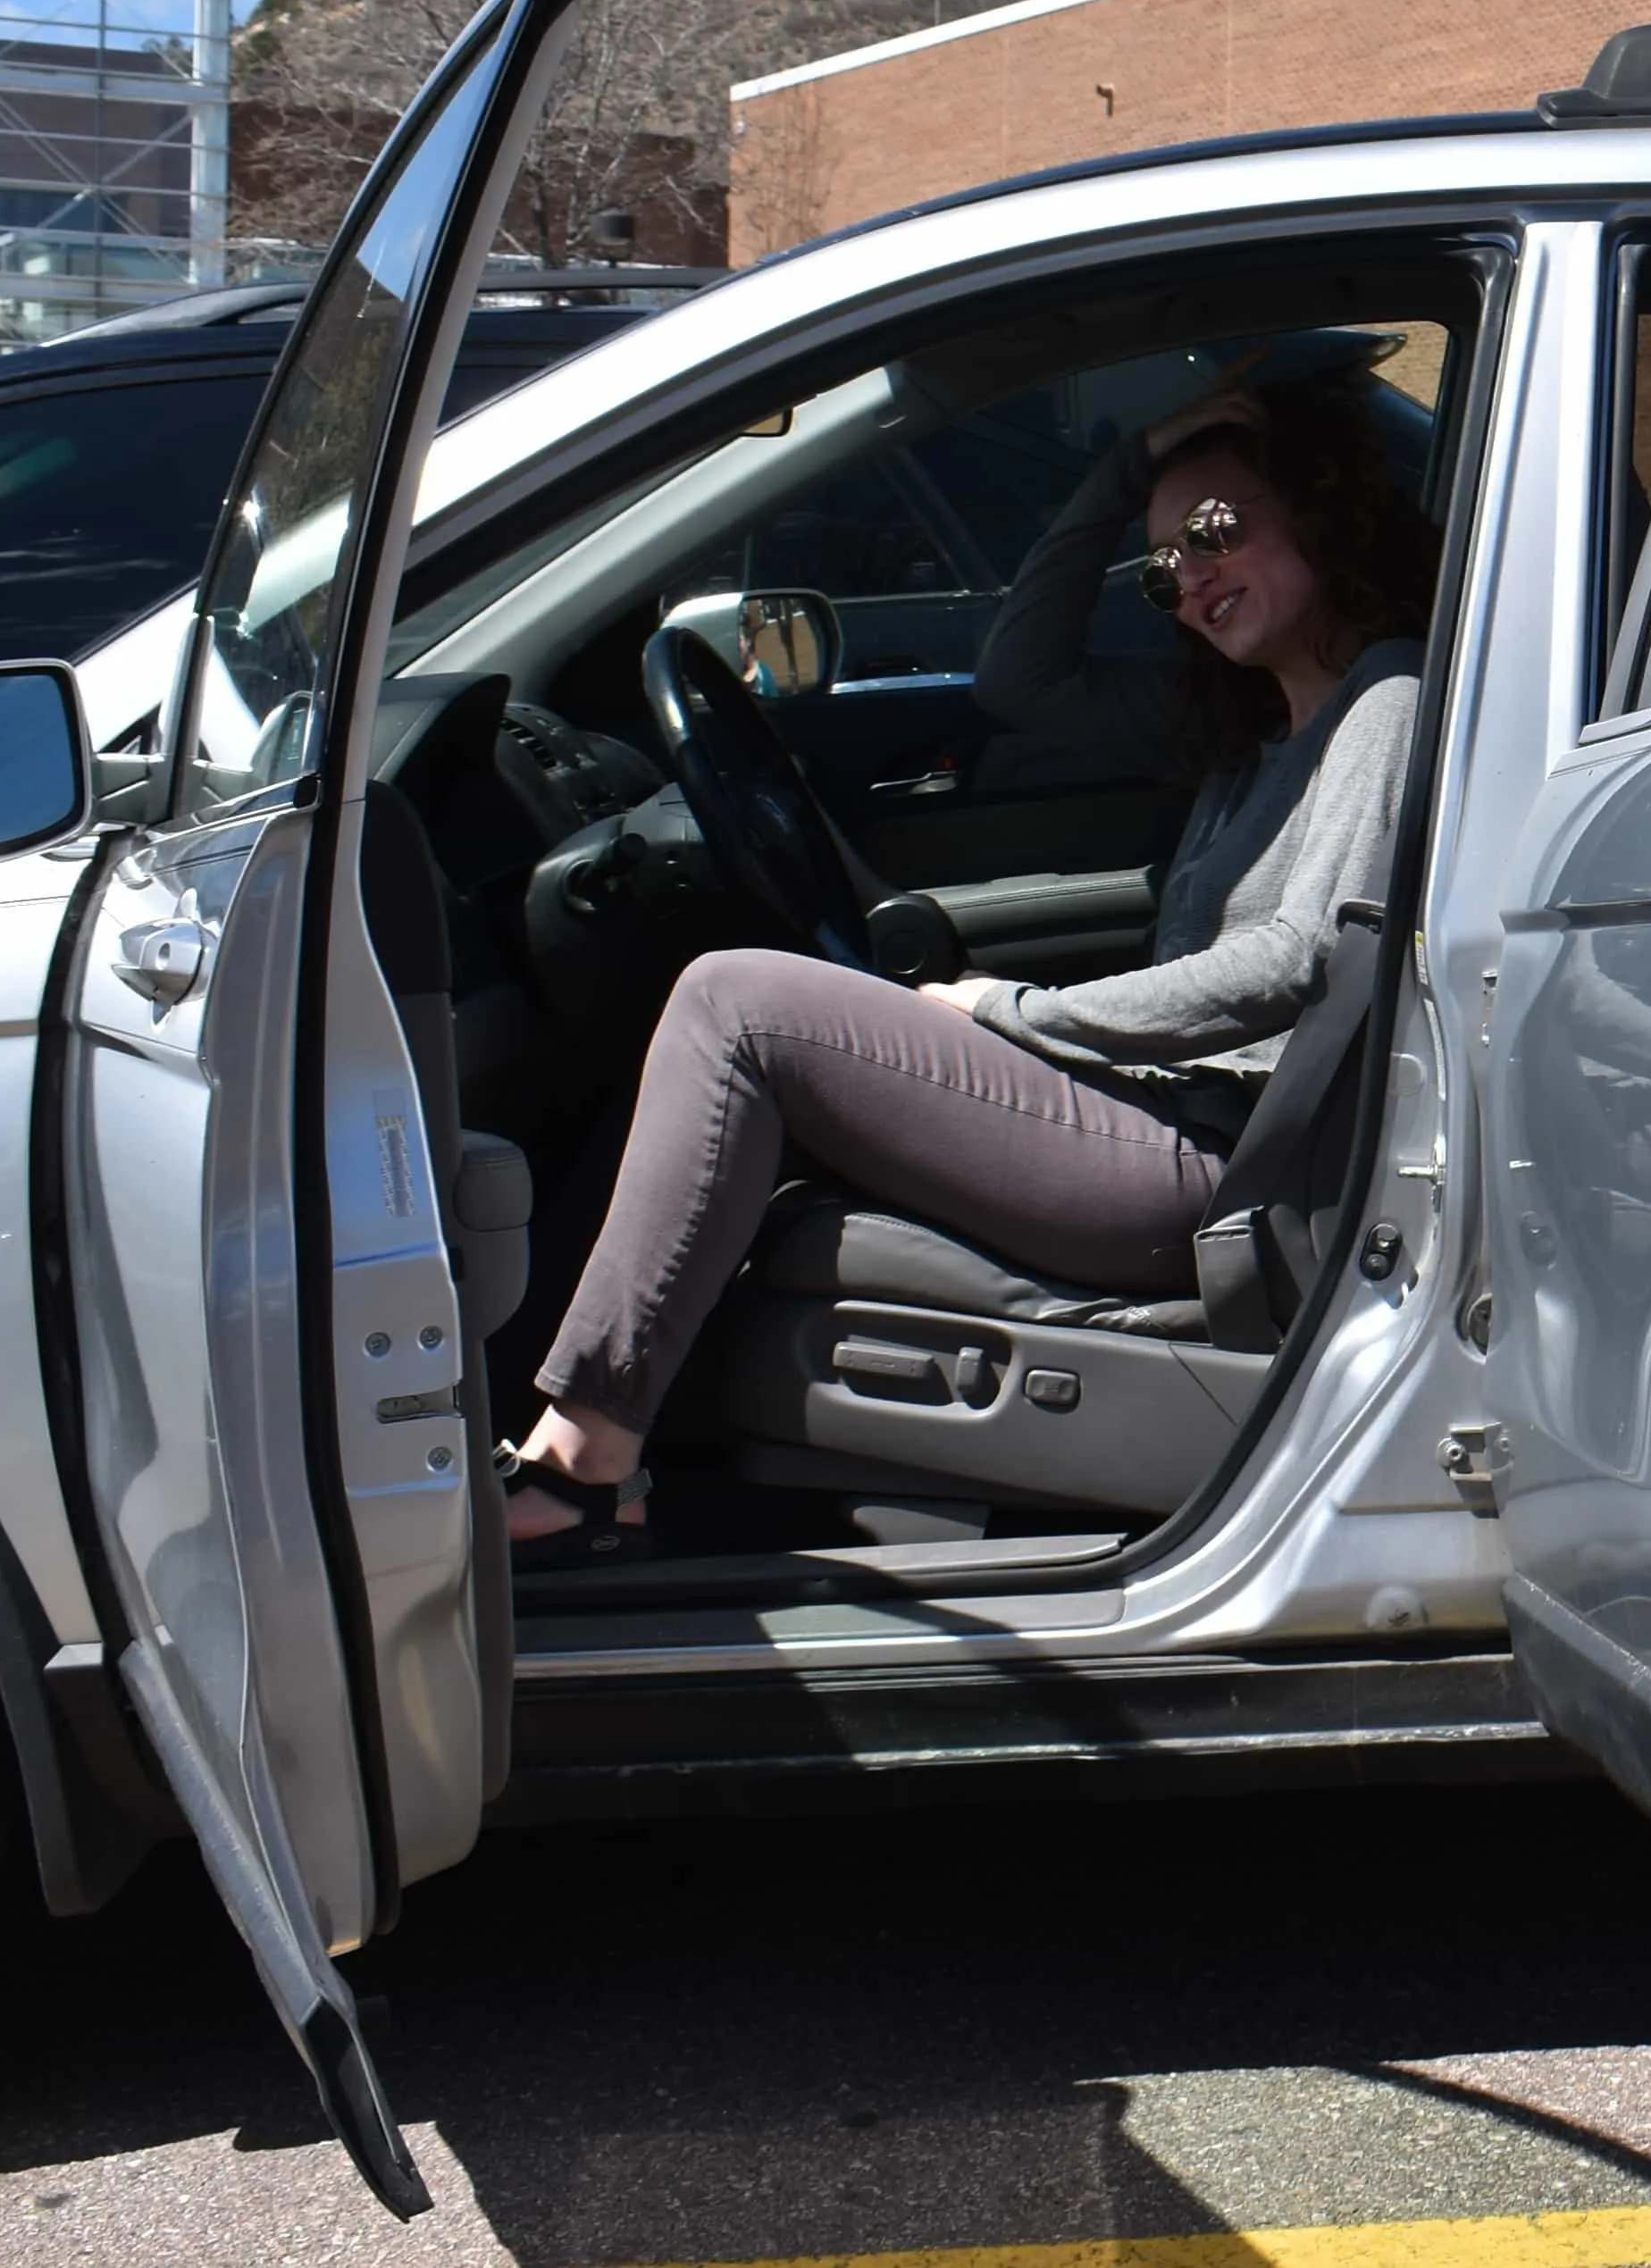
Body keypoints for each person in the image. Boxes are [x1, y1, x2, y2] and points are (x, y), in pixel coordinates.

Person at [502, 365, 1436, 1553]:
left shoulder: (1385, 699)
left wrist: (1015, 1012)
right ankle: (616, 1440)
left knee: (732, 1004)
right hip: (1152, 1113)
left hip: (1213, 1158)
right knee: (754, 1027)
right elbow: (1019, 677)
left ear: (1318, 505)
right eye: (1162, 567)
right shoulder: (1250, 726)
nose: (1190, 581)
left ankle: (587, 1466)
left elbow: (1295, 963)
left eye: (1214, 530)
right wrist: (1119, 472)